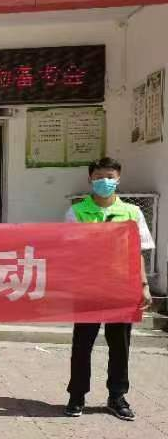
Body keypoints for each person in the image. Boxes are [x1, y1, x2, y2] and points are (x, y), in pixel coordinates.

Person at [64, 157, 153, 421]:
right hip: (88, 287)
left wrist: (143, 285)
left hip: (121, 287)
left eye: (110, 177)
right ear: (90, 179)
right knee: (82, 344)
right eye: (99, 177)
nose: (105, 181)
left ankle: (117, 397)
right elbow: (68, 250)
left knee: (120, 345)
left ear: (118, 179)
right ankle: (77, 395)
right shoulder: (77, 212)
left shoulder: (132, 212)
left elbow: (138, 252)